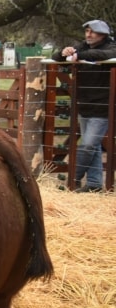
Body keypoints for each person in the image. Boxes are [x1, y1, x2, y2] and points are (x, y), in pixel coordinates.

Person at [52, 19, 116, 192]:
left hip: (103, 107)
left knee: (87, 144)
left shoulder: (111, 48)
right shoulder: (82, 47)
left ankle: (73, 178)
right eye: (86, 31)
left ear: (103, 34)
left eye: (92, 31)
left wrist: (79, 56)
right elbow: (57, 58)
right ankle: (94, 184)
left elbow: (103, 56)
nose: (88, 34)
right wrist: (64, 52)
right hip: (85, 105)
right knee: (93, 146)